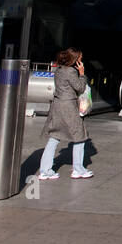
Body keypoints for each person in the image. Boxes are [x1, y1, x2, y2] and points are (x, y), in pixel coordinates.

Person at [38, 48, 92, 180]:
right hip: (68, 106)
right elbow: (79, 87)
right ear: (75, 60)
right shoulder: (71, 72)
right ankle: (78, 169)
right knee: (79, 136)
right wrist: (82, 74)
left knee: (55, 136)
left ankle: (45, 170)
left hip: (57, 105)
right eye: (79, 59)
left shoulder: (59, 70)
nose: (81, 61)